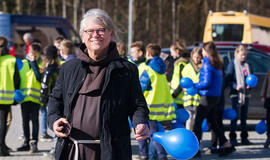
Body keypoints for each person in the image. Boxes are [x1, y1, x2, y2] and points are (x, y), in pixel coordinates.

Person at [47, 8, 149, 160]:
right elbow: (55, 100)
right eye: (89, 31)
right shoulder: (69, 67)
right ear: (82, 36)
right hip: (73, 150)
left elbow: (138, 105)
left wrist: (140, 122)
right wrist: (55, 120)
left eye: (101, 30)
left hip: (111, 151)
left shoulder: (127, 69)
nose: (95, 35)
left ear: (111, 34)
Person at [193, 42, 234, 157]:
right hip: (215, 96)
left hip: (207, 97)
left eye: (202, 51)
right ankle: (226, 144)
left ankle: (195, 149)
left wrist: (195, 85)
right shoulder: (217, 63)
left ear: (206, 51)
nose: (201, 53)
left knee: (197, 122)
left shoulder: (207, 63)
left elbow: (206, 82)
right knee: (213, 122)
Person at [138, 43, 176, 160]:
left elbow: (140, 88)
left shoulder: (148, 70)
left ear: (148, 54)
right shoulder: (162, 70)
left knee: (154, 135)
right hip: (163, 109)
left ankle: (161, 156)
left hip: (150, 108)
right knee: (157, 134)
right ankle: (154, 156)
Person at [16, 43, 43, 153]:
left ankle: (34, 143)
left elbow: (39, 77)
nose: (32, 55)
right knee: (25, 121)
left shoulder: (41, 64)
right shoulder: (22, 63)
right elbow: (17, 78)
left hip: (35, 98)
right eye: (31, 53)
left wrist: (34, 63)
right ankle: (26, 142)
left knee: (35, 121)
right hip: (24, 97)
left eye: (34, 53)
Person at [225, 45, 253, 146]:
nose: (244, 57)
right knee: (234, 116)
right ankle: (232, 138)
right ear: (237, 54)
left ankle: (244, 138)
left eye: (245, 55)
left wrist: (250, 85)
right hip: (236, 94)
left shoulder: (247, 64)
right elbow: (228, 78)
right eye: (242, 55)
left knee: (244, 117)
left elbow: (251, 77)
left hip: (245, 94)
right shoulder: (233, 64)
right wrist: (235, 86)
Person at [0, 36, 21, 156]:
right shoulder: (11, 60)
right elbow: (16, 79)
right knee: (2, 123)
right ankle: (2, 148)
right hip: (6, 97)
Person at [39, 45, 60, 141]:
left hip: (49, 96)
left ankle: (44, 132)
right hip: (56, 96)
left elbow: (45, 84)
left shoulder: (48, 68)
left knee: (45, 113)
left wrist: (43, 97)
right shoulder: (59, 66)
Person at [181, 47, 202, 131]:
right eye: (195, 57)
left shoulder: (203, 67)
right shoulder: (187, 67)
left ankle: (197, 139)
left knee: (197, 120)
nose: (196, 59)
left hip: (199, 97)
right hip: (189, 98)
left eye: (198, 57)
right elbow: (184, 82)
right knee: (189, 119)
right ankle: (189, 137)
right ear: (192, 57)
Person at [170, 42, 189, 109]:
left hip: (179, 98)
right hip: (178, 98)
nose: (171, 54)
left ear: (177, 51)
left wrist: (174, 95)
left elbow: (182, 82)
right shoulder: (179, 63)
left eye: (172, 52)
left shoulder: (181, 64)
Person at [261, 69, 270, 148]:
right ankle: (269, 137)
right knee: (269, 119)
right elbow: (265, 83)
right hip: (269, 98)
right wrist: (263, 95)